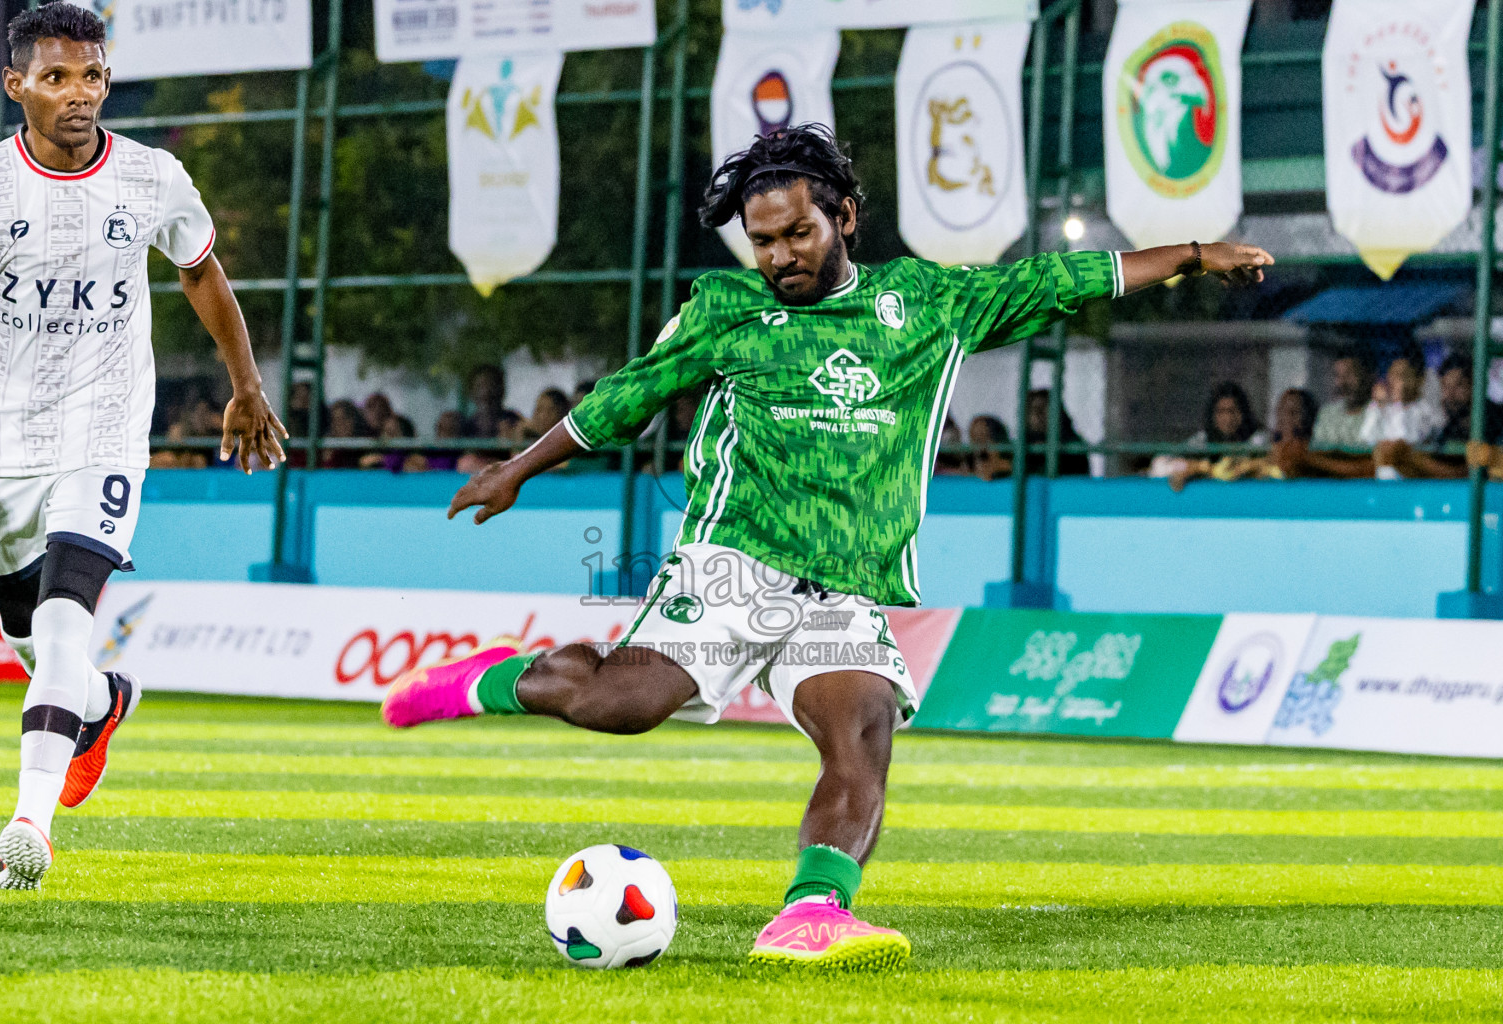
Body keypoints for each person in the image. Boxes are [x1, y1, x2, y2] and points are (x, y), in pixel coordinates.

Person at [379, 124, 1272, 968]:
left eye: (796, 234)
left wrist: (1192, 254)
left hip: (847, 583)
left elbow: (1064, 278)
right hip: (734, 559)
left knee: (863, 727)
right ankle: (486, 678)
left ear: (844, 217)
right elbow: (630, 395)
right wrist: (521, 468)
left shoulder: (925, 303)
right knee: (623, 702)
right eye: (761, 241)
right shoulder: (726, 308)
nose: (777, 257)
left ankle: (812, 914)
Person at [0, 5, 285, 890]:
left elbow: (199, 271)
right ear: (17, 84)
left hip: (103, 429)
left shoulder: (151, 177)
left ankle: (26, 826)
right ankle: (104, 705)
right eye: (59, 76)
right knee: (34, 645)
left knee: (66, 628)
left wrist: (246, 384)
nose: (81, 93)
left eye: (94, 75)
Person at [1376, 354, 1503, 480]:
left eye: (1459, 385)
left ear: (1476, 386)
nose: (1450, 395)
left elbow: (1471, 474)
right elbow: (1440, 470)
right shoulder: (1449, 426)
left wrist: (1413, 459)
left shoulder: (1496, 420)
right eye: (1445, 386)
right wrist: (1403, 461)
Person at [1155, 382, 1269, 491]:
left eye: (1233, 411)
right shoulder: (1202, 439)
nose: (1228, 418)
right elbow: (1161, 464)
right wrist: (1186, 468)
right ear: (1212, 415)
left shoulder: (1258, 440)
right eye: (1221, 412)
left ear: (1243, 413)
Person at [1311, 351, 1373, 449]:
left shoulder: (1379, 414)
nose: (1342, 383)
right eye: (1338, 375)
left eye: (1349, 374)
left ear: (1368, 376)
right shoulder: (1327, 414)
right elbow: (1317, 453)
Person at [1024, 389, 1090, 477]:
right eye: (1033, 409)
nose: (1038, 415)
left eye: (1044, 408)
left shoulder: (1072, 444)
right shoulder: (1023, 443)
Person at [967, 414, 1011, 480]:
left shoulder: (1007, 463)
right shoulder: (970, 461)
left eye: (981, 438)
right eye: (974, 439)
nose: (976, 445)